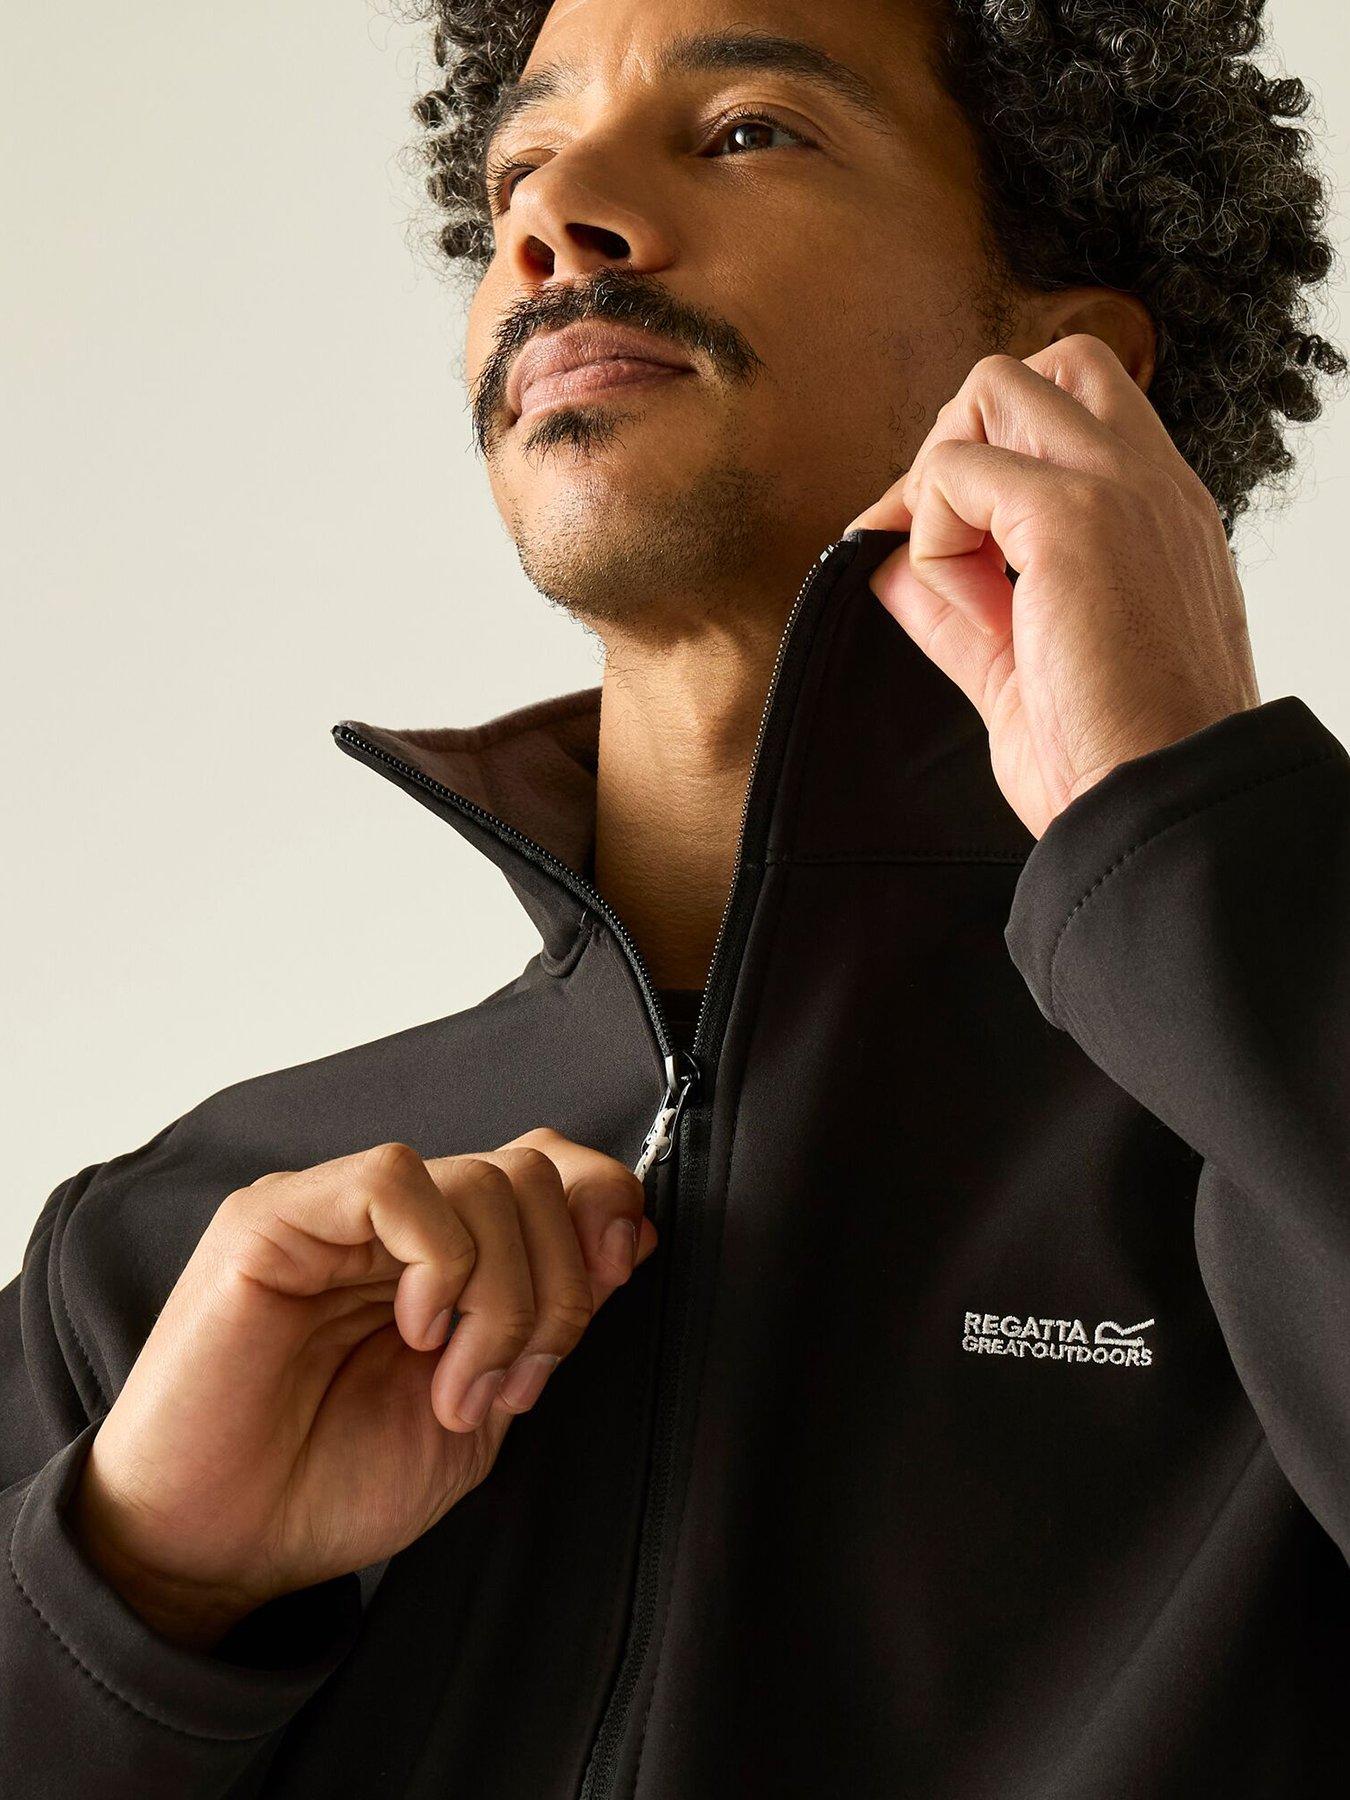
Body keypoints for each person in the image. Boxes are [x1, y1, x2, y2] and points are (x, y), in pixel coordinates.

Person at [3, 0, 1347, 1793]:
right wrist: (140, 1587)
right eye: (518, 172)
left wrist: (1183, 830)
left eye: (745, 131)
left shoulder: (1281, 1128)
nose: (554, 227)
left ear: (1064, 364)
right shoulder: (175, 1255)